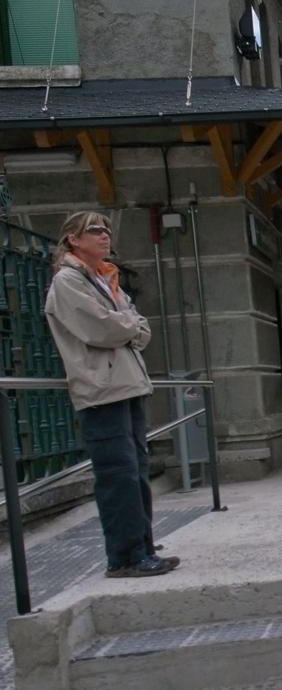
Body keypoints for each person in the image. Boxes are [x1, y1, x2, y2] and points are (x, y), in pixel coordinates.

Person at [44, 211, 179, 578]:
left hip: (127, 384)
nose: (104, 235)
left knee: (136, 469)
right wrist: (129, 326)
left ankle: (142, 546)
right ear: (73, 239)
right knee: (118, 474)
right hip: (102, 391)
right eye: (94, 230)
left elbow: (141, 328)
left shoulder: (105, 279)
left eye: (105, 230)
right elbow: (103, 329)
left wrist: (128, 326)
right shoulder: (68, 282)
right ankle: (125, 557)